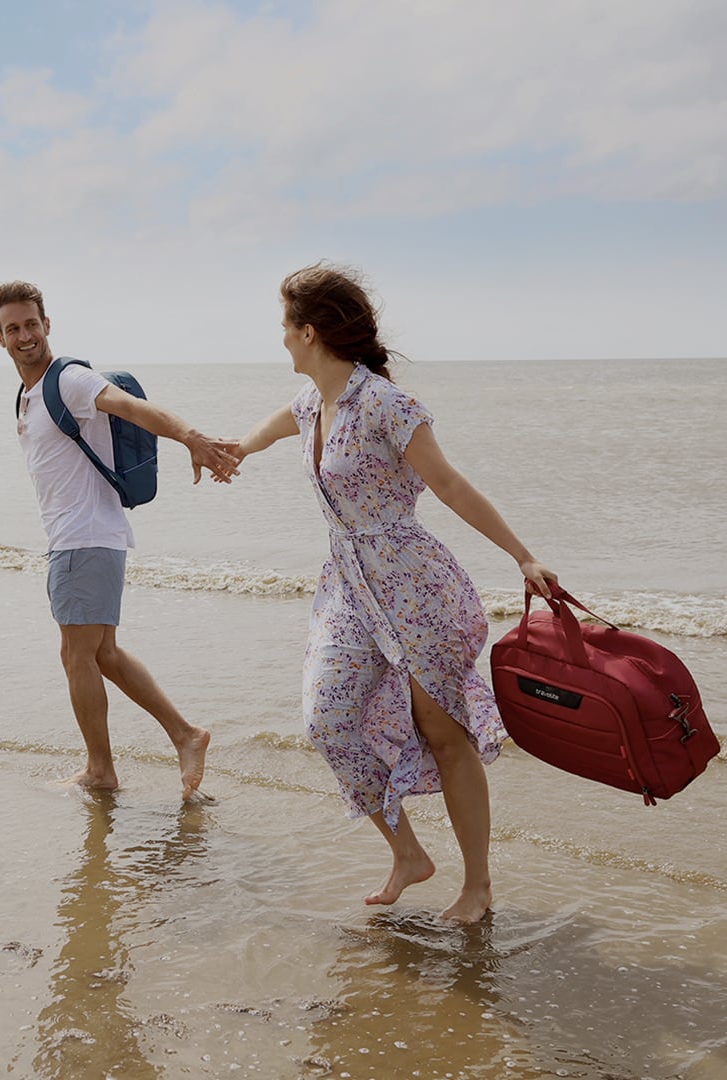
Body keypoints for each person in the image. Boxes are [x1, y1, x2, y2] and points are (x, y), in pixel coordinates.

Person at [229, 263, 557, 923]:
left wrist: (522, 556)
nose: (282, 338)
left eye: (286, 325)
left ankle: (478, 886)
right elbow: (269, 429)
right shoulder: (310, 403)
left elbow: (451, 486)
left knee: (444, 732)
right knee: (326, 718)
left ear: (310, 332)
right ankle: (408, 853)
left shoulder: (385, 404)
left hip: (414, 587)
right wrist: (226, 451)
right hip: (349, 590)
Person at [0, 280, 239, 799]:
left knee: (77, 656)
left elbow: (131, 409)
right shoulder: (29, 394)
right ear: (0, 338)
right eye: (13, 328)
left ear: (47, 324)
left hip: (84, 539)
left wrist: (191, 437)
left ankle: (101, 771)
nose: (25, 335)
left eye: (31, 323)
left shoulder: (72, 379)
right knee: (103, 653)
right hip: (80, 537)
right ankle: (185, 734)